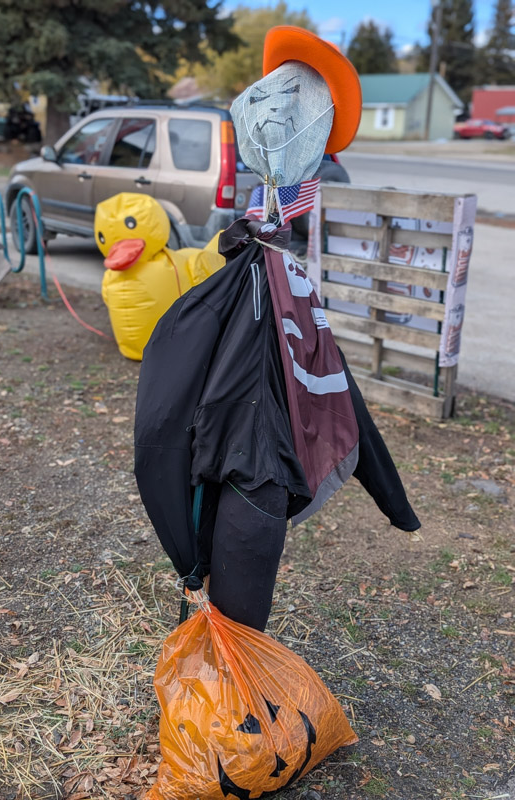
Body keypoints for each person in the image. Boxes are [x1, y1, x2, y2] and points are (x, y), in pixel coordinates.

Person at [134, 27, 420, 632]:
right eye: (268, 96)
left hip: (254, 470)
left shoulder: (280, 272)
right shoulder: (251, 268)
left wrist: (393, 499)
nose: (268, 109)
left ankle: (226, 670)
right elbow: (168, 404)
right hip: (234, 464)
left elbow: (332, 381)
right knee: (213, 601)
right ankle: (216, 667)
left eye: (289, 101)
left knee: (229, 611)